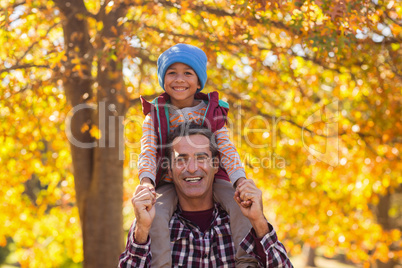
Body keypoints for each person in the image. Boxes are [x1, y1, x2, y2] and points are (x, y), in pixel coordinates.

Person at [137, 43, 256, 266]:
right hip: (169, 179)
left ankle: (246, 262)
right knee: (157, 214)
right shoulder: (154, 115)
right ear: (163, 80)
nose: (179, 79)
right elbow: (148, 151)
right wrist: (146, 182)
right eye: (172, 73)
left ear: (199, 81)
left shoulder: (211, 110)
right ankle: (161, 264)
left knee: (240, 205)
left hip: (212, 177)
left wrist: (240, 180)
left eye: (187, 73)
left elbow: (226, 147)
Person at [119, 124, 293, 267]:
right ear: (169, 170)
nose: (193, 168)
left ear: (216, 164)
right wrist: (141, 231)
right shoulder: (150, 225)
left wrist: (259, 223)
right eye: (181, 159)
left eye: (201, 158)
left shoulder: (245, 222)